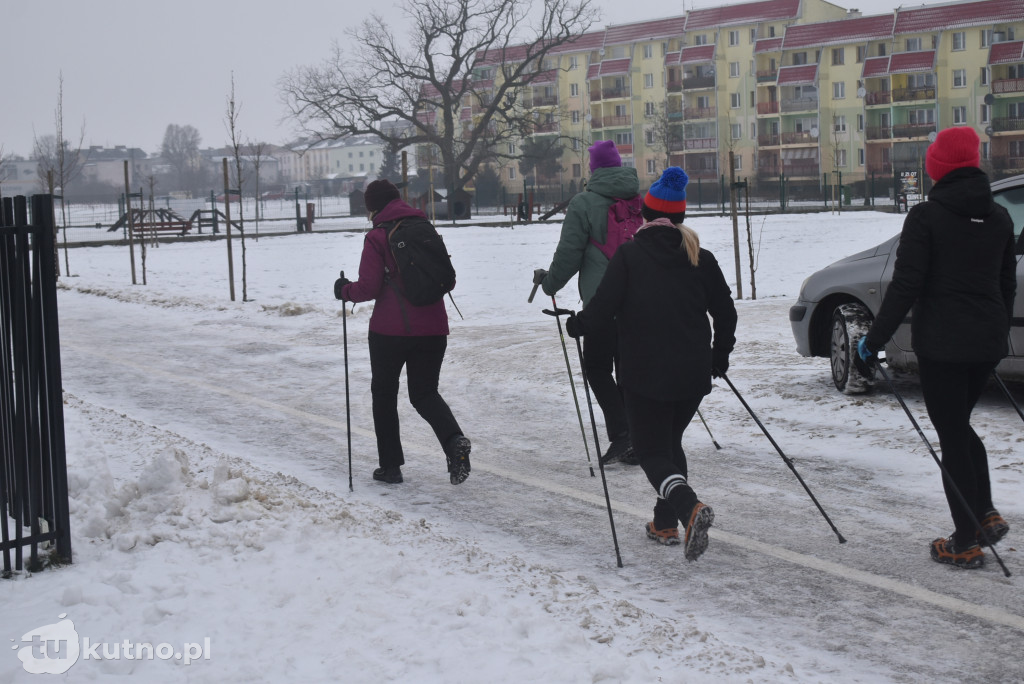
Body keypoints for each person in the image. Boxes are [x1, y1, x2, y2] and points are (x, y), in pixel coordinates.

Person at [857, 126, 1016, 569]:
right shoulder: (1000, 216)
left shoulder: (927, 217)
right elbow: (1006, 287)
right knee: (960, 426)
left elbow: (907, 284)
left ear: (938, 168)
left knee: (951, 434)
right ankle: (983, 513)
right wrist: (996, 329)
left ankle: (965, 540)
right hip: (986, 343)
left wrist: (873, 339)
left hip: (944, 346)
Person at [565, 167, 737, 561]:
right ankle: (665, 524)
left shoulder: (630, 255)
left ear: (644, 214)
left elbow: (602, 309)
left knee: (649, 450)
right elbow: (726, 314)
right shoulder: (701, 257)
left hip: (644, 374)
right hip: (693, 374)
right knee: (669, 443)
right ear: (680, 217)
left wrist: (578, 324)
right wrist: (719, 357)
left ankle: (689, 507)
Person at [334, 179, 471, 486]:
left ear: (373, 206)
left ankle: (391, 467)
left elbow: (368, 288)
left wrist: (344, 291)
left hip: (389, 332)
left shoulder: (377, 236)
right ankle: (454, 441)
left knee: (384, 394)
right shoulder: (425, 227)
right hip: (434, 328)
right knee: (424, 393)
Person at [533, 140, 640, 466]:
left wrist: (549, 282)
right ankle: (637, 437)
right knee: (629, 370)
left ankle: (623, 435)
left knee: (596, 367)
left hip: (601, 302)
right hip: (640, 300)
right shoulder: (638, 200)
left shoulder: (584, 203)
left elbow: (569, 254)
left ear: (593, 169)